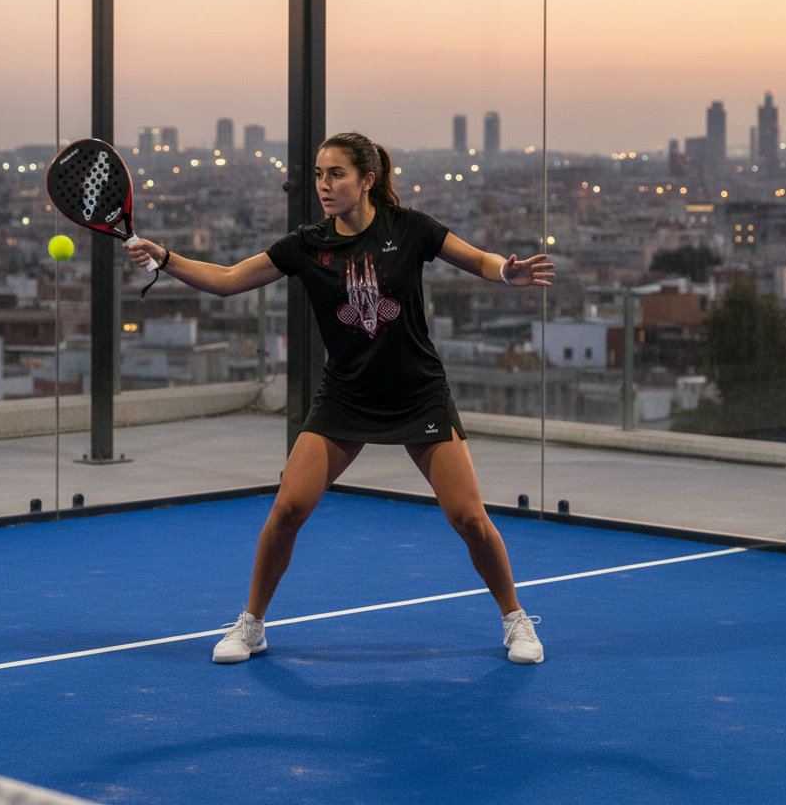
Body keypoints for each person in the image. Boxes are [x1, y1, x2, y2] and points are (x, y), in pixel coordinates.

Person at [125, 131, 555, 665]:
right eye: (320, 175)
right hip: (346, 396)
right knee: (287, 508)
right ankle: (252, 624)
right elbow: (229, 280)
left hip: (417, 392)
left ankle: (516, 621)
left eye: (337, 175)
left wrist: (506, 272)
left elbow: (479, 260)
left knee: (469, 518)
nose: (325, 186)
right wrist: (164, 256)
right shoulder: (307, 244)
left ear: (367, 179)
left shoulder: (410, 228)